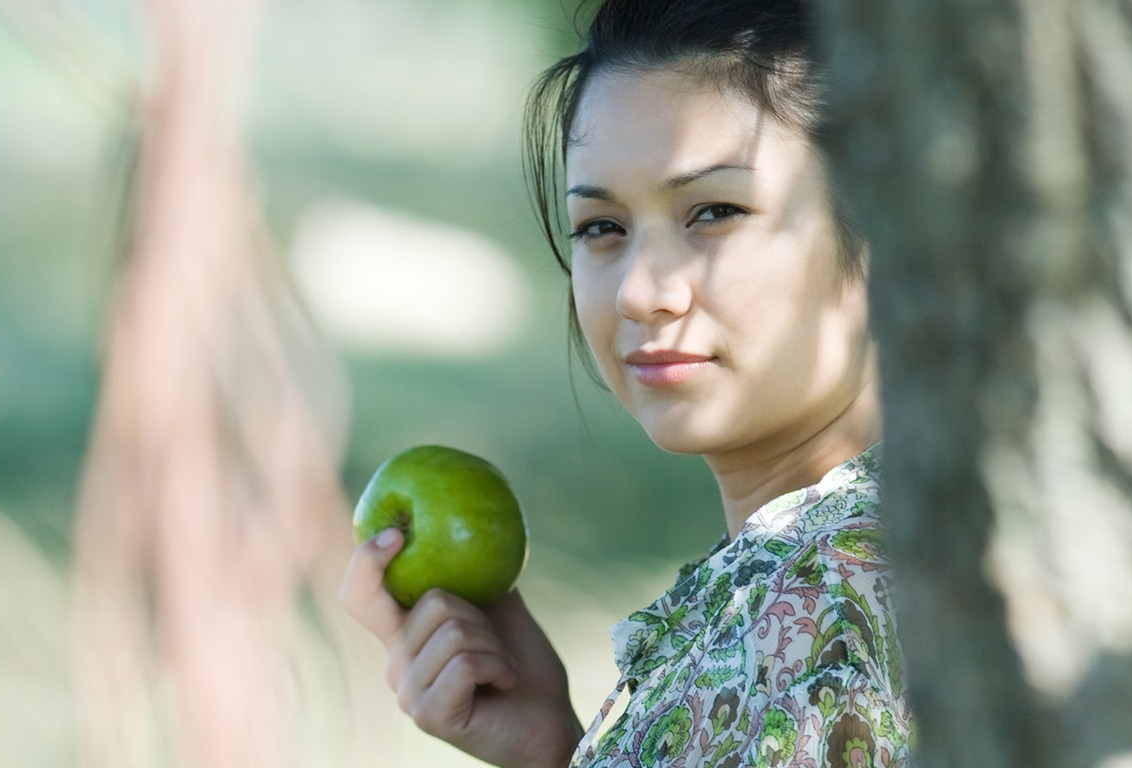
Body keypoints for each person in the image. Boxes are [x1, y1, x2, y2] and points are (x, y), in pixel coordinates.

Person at [341, 1, 914, 765]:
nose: (640, 292)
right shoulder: (890, 561)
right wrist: (550, 747)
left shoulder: (816, 611)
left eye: (714, 211)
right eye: (602, 227)